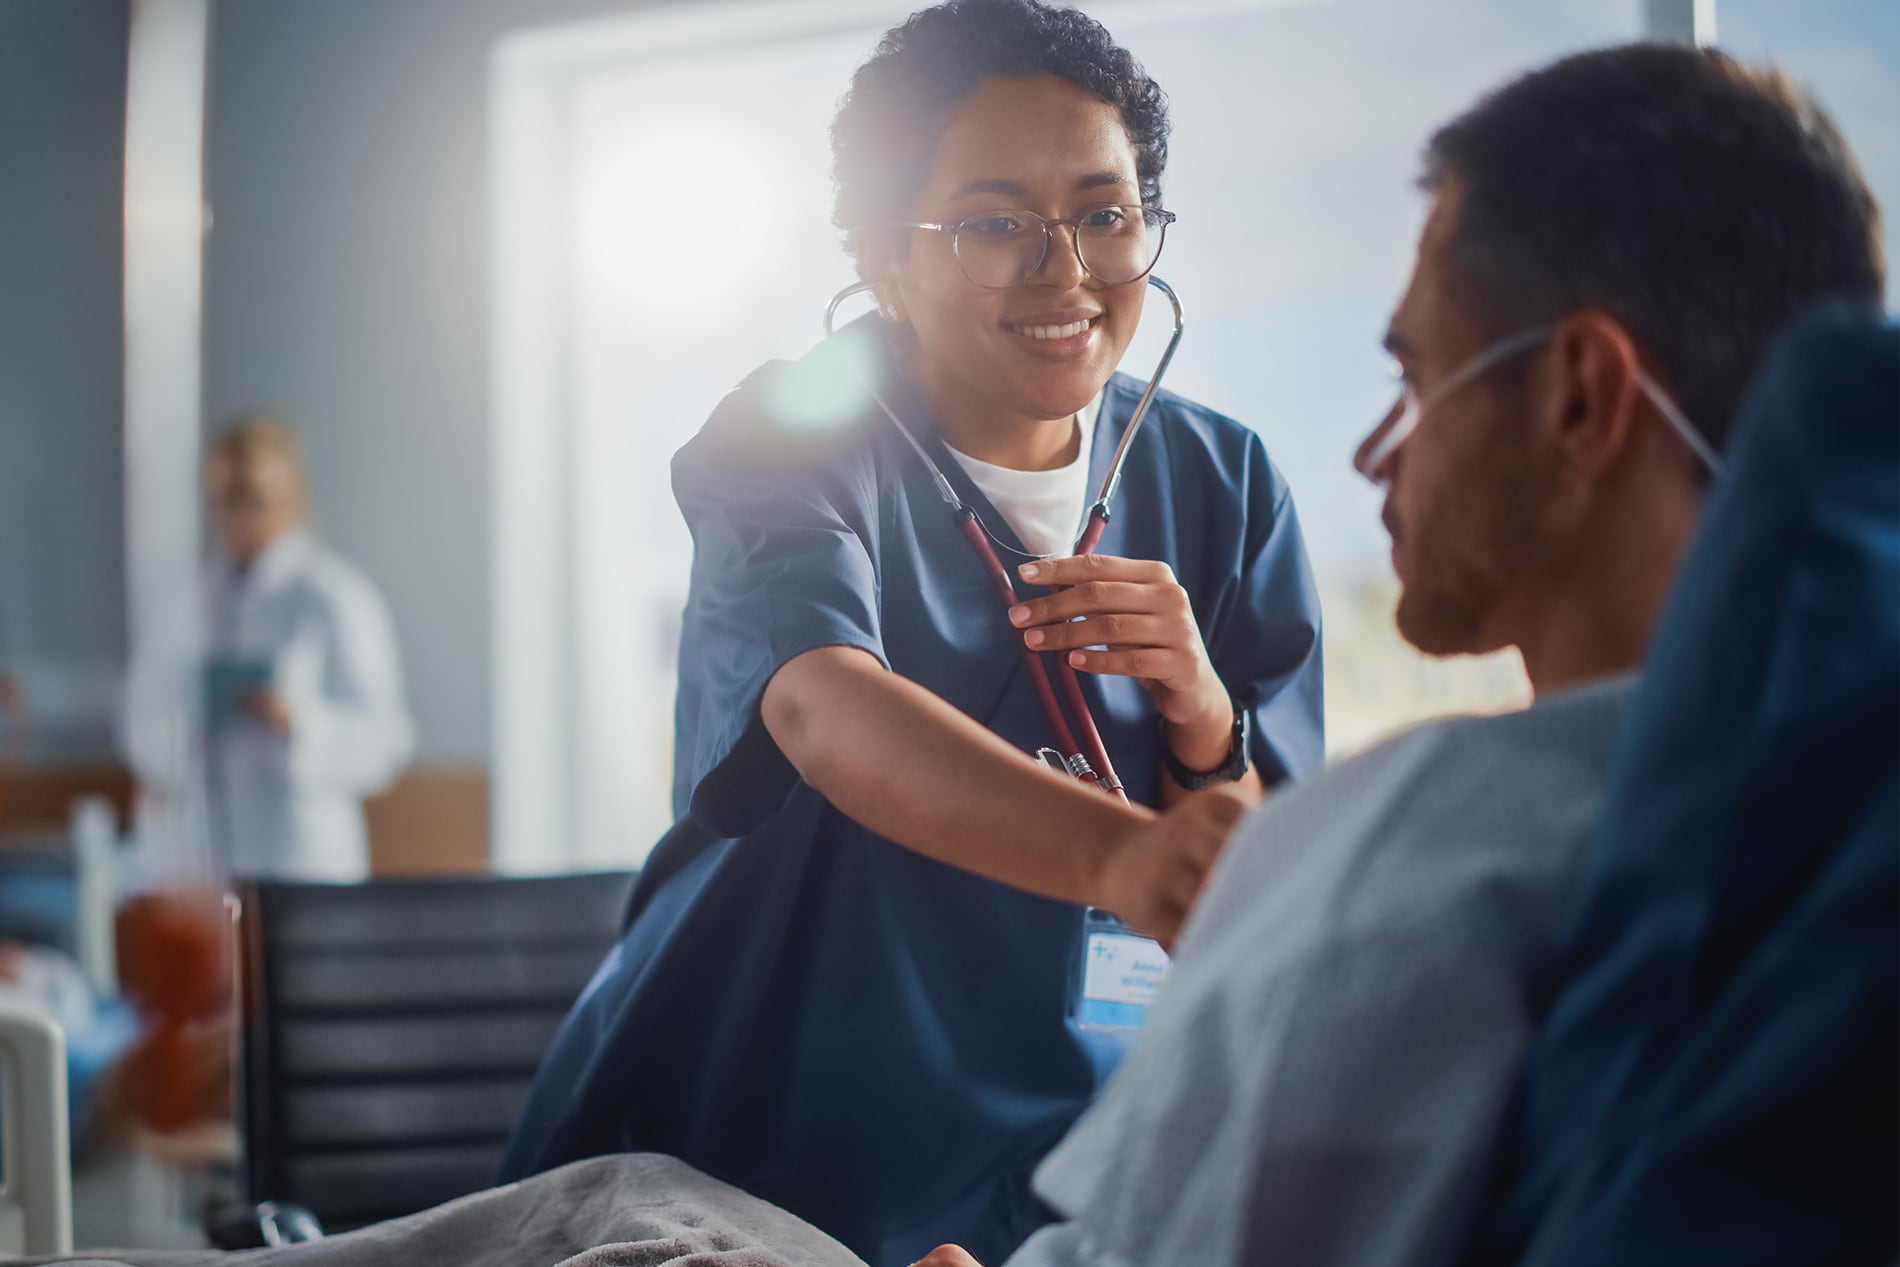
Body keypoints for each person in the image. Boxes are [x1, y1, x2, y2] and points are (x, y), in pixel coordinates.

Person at [901, 42, 1886, 1267]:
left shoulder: (1419, 850)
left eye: (1415, 377)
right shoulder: (1843, 819)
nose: (1377, 455)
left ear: (1579, 396)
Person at [498, 3, 1324, 1265]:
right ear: (884, 257)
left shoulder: (1222, 479)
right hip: (761, 1139)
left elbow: (1252, 879)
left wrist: (1205, 717)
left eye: (1105, 215)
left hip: (1073, 1151)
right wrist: (1122, 859)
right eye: (995, 224)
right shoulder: (797, 430)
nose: (1066, 272)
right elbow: (825, 707)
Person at [120, 416, 415, 882]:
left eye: (251, 496)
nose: (236, 514)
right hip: (201, 859)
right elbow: (139, 724)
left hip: (301, 858)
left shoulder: (333, 597)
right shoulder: (183, 603)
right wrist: (183, 732)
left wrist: (299, 723)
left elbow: (386, 740)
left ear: (292, 496)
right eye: (222, 498)